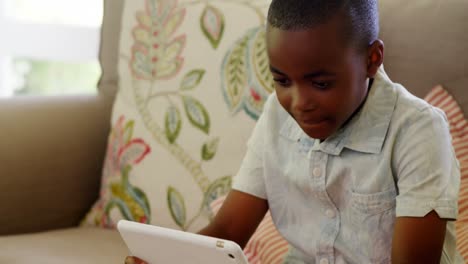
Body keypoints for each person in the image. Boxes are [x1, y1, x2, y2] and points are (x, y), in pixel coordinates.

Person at [126, 0, 463, 263]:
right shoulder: (277, 114)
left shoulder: (418, 130)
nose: (299, 103)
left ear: (372, 59)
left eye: (320, 83)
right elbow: (228, 231)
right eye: (282, 80)